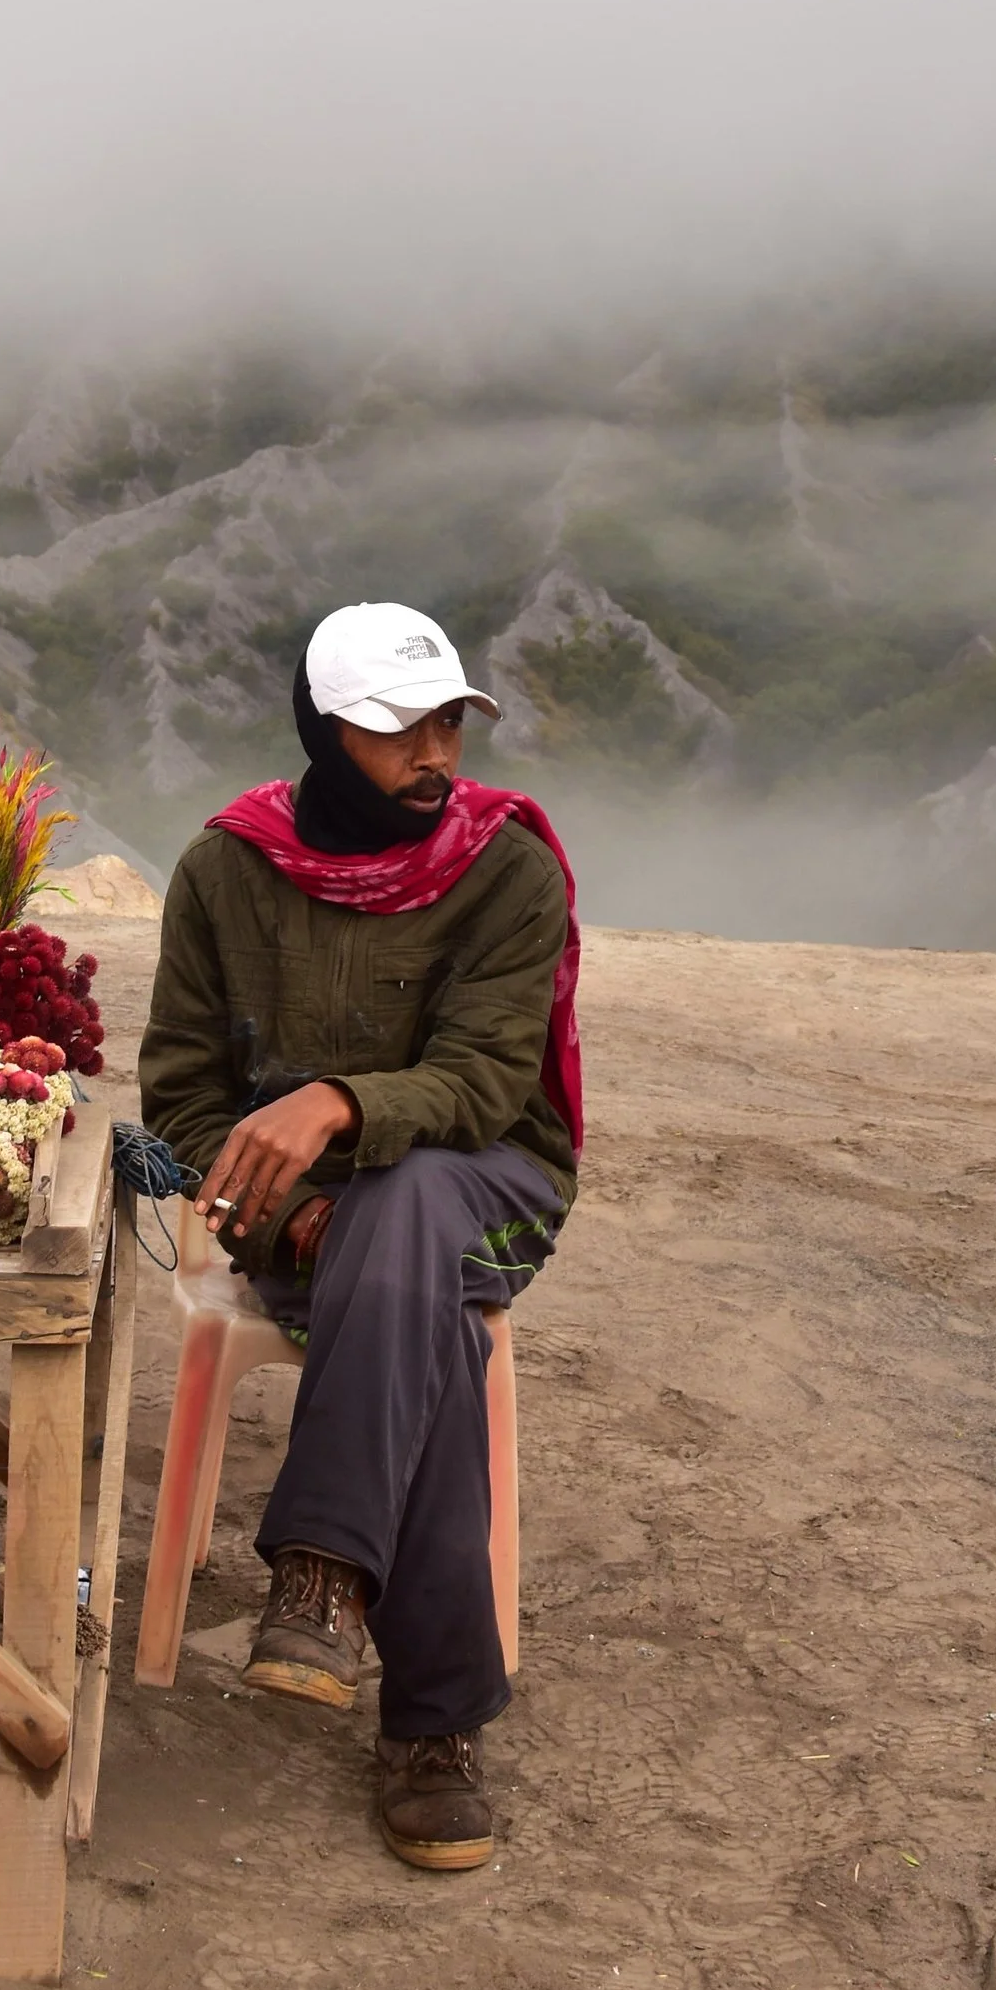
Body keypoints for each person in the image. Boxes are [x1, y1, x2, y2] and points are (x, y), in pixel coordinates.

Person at [137, 601, 581, 1873]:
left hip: (486, 1179)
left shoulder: (506, 866)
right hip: (302, 1213)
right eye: (397, 731)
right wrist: (295, 1207)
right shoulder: (227, 871)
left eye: (448, 722)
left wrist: (338, 1100)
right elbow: (179, 1101)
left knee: (410, 1205)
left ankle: (324, 1570)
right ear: (324, 736)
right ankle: (434, 1730)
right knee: (406, 1282)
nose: (434, 752)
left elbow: (489, 1085)